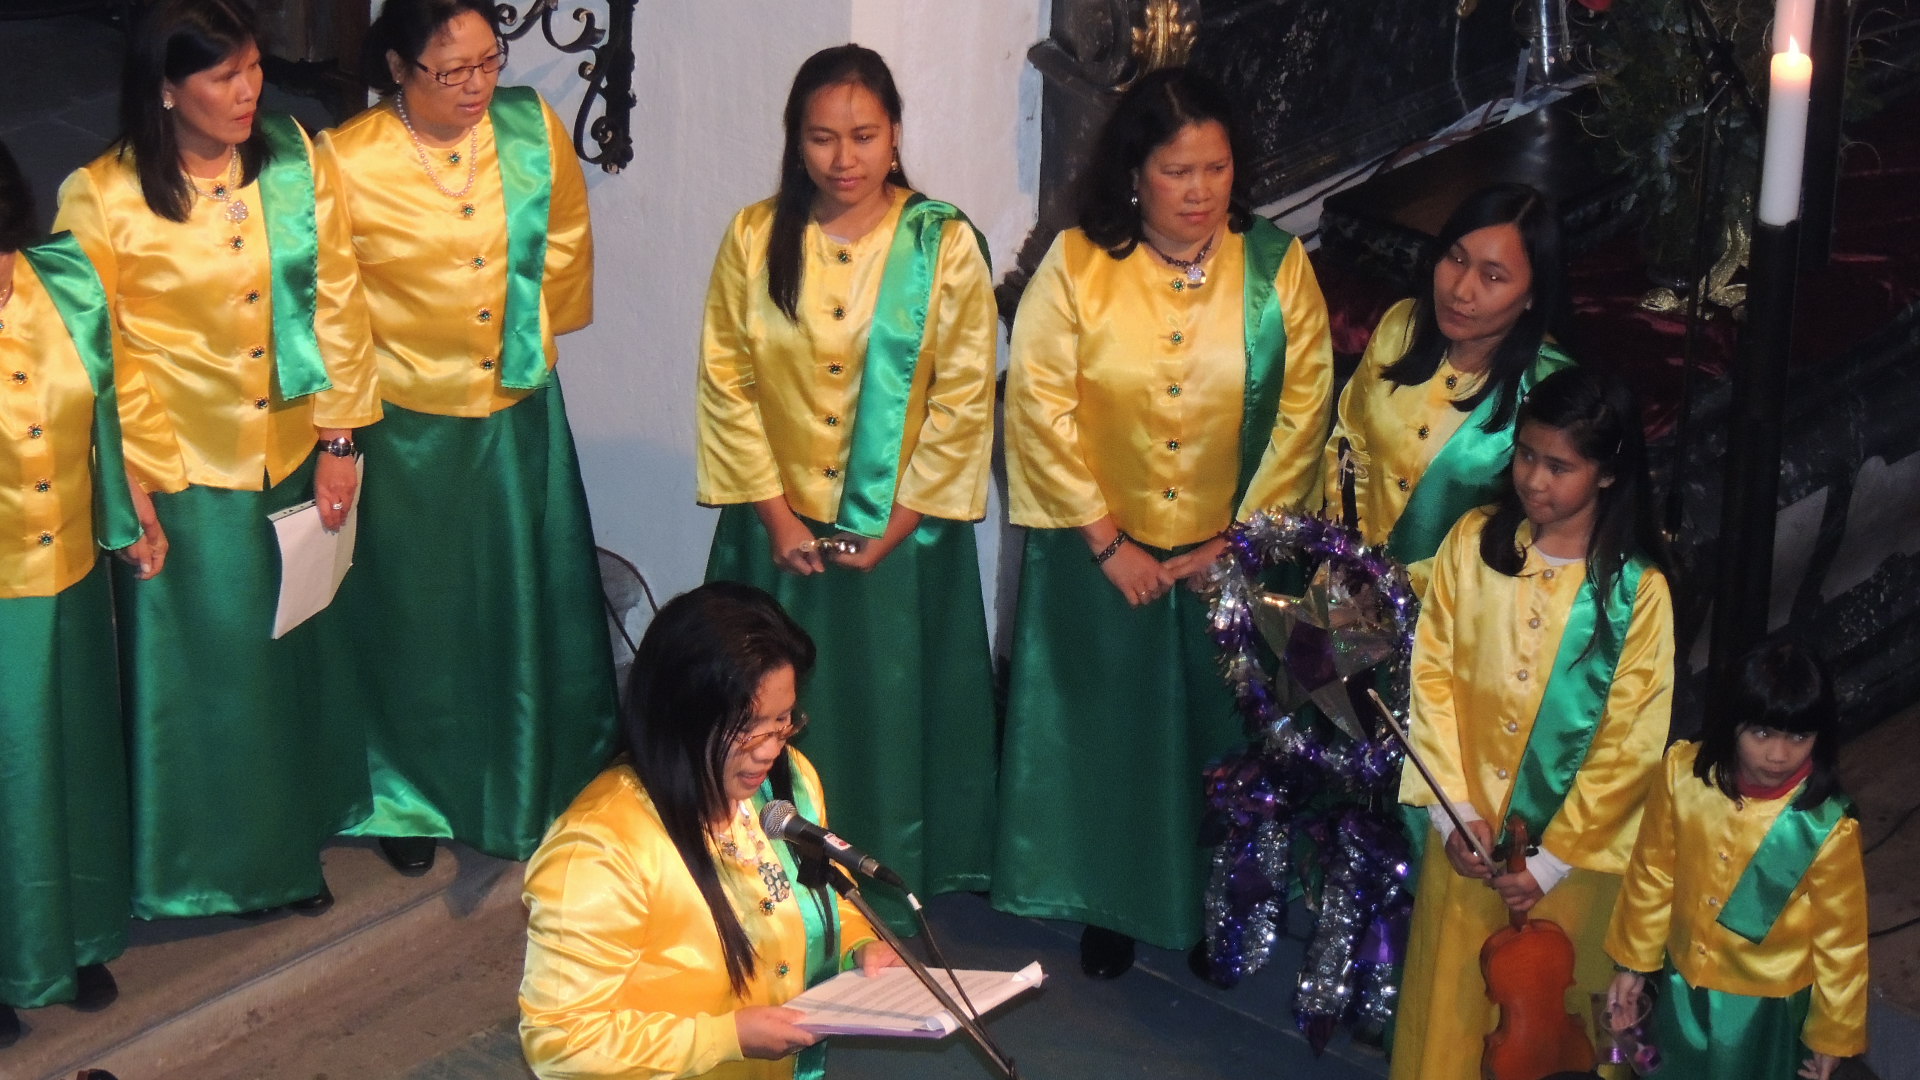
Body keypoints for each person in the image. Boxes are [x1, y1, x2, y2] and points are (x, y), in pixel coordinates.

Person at [993, 67, 1334, 978]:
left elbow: (1303, 412)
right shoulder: (1077, 264)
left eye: (1216, 169)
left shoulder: (1276, 266)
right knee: (1111, 736)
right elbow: (1038, 404)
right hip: (1100, 556)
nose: (1200, 192)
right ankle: (1109, 901)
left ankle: (1216, 907)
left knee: (1220, 744)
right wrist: (1108, 542)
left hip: (1232, 559)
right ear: (1134, 173)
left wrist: (1238, 542)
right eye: (1178, 171)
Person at [54, 0, 379, 918]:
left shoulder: (293, 158)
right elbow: (96, 353)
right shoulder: (102, 195)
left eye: (253, 68)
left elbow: (337, 297)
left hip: (292, 452)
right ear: (166, 89)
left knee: (291, 663)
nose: (250, 91)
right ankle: (210, 872)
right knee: (208, 684)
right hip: (183, 471)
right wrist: (142, 481)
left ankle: (289, 842)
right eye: (224, 76)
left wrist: (339, 438)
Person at [696, 45, 998, 927]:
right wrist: (776, 517)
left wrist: (893, 527)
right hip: (776, 534)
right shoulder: (755, 236)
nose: (843, 158)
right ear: (796, 141)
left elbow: (963, 396)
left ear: (895, 134)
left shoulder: (941, 243)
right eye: (822, 137)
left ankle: (887, 889)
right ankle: (762, 883)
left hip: (904, 541)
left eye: (864, 135)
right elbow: (728, 381)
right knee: (764, 711)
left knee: (886, 719)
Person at [316, 0, 615, 872]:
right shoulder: (346, 159)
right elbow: (333, 306)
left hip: (517, 407)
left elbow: (564, 240)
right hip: (410, 425)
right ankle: (407, 795)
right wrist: (340, 435)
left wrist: (526, 339)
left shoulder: (530, 126)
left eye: (490, 62)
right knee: (421, 613)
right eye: (451, 70)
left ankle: (537, 768)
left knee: (525, 595)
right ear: (399, 67)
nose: (477, 84)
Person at [1391, 365, 1674, 1080]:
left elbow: (1630, 746)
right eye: (1526, 455)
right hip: (1470, 842)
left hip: (1573, 865)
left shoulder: (1637, 594)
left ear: (1609, 474)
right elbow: (1432, 678)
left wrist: (1548, 865)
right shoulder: (1473, 542)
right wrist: (1454, 812)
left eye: (1560, 466)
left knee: (1557, 1025)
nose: (1534, 480)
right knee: (1454, 1023)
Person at [520, 582, 900, 1080]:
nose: (770, 749)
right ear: (681, 716)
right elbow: (560, 1042)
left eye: (783, 719)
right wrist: (725, 1037)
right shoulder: (598, 851)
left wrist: (858, 946)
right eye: (746, 726)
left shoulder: (788, 786)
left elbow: (817, 894)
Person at [0, 138, 146, 1046]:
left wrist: (128, 522)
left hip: (72, 580)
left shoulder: (66, 278)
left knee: (73, 764)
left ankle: (77, 933)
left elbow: (111, 407)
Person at [1605, 641, 1868, 1080]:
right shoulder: (1682, 775)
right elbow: (1653, 872)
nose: (1779, 755)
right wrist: (1633, 963)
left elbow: (1841, 941)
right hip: (1682, 985)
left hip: (1765, 1007)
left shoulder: (1826, 826)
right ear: (1731, 725)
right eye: (1761, 734)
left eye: (1799, 737)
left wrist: (1831, 1035)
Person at [1322, 182, 1572, 596]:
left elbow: (1535, 533)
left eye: (1493, 276)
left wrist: (1400, 591)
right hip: (1351, 582)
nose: (1460, 290)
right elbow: (1349, 440)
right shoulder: (1401, 327)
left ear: (1533, 295)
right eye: (1456, 258)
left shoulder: (1549, 389)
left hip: (1461, 607)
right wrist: (1350, 557)